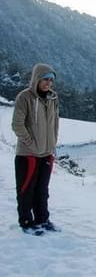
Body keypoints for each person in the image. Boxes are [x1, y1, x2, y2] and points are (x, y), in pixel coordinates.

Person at [11, 63, 60, 235]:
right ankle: (26, 222)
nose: (49, 83)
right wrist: (31, 144)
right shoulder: (24, 98)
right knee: (26, 190)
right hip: (28, 154)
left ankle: (42, 220)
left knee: (42, 190)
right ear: (37, 79)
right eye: (45, 79)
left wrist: (52, 143)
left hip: (46, 153)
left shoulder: (53, 98)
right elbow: (17, 125)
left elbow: (55, 123)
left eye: (51, 80)